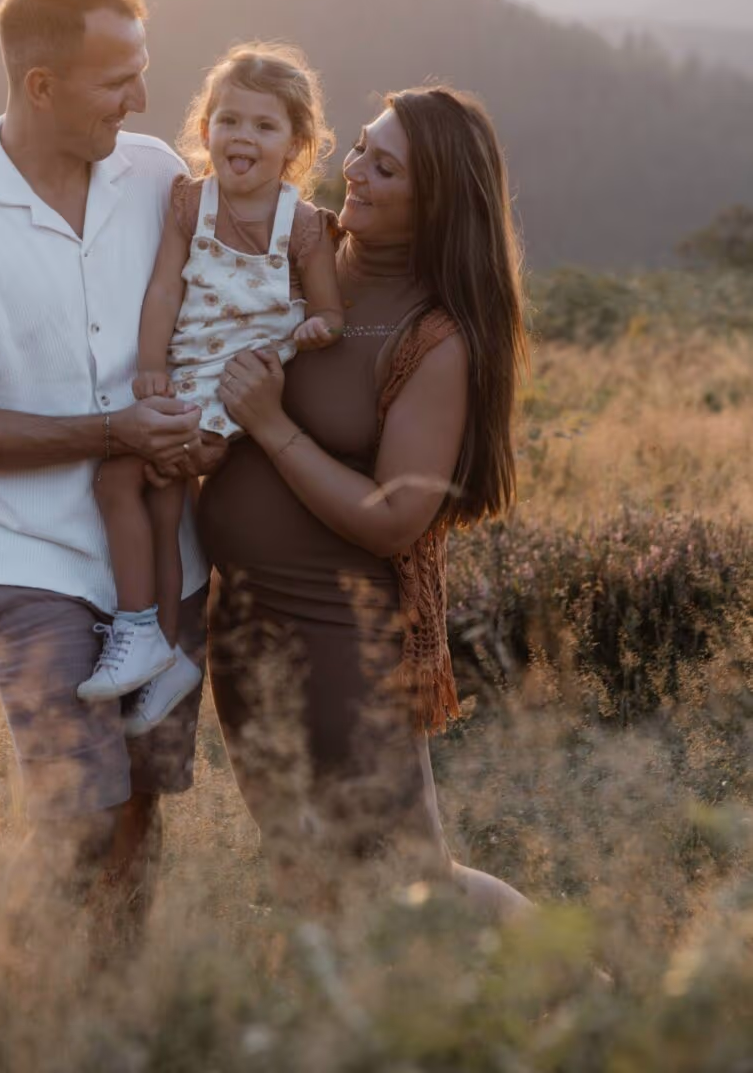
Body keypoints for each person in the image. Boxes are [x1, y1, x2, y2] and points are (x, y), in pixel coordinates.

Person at [0, 0, 209, 921]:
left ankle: (114, 1011)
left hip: (171, 560)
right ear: (41, 85)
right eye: (119, 81)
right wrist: (111, 431)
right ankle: (35, 998)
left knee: (142, 804)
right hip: (34, 560)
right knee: (78, 812)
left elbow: (237, 282)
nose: (142, 100)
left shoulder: (156, 174)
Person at [201, 86, 532, 918]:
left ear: (436, 205)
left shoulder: (434, 337)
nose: (354, 172)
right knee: (297, 859)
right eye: (357, 148)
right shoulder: (295, 246)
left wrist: (270, 427)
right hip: (242, 616)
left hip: (343, 629)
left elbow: (394, 518)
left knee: (409, 875)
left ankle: (575, 989)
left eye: (385, 168)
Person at [79, 43, 344, 733]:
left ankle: (139, 629)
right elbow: (165, 285)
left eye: (263, 126)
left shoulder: (304, 226)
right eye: (228, 120)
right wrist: (149, 366)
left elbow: (329, 309)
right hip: (182, 380)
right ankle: (165, 655)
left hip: (234, 391)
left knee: (117, 476)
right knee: (164, 504)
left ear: (294, 144)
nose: (242, 137)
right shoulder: (188, 204)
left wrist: (317, 328)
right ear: (205, 130)